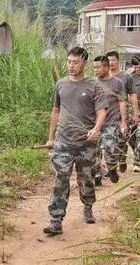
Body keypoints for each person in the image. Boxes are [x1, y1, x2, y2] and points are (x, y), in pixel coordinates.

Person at [42, 47, 107, 235]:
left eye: (75, 62)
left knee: (85, 178)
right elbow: (55, 111)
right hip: (63, 141)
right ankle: (56, 220)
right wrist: (51, 137)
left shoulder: (94, 86)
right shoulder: (61, 84)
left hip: (86, 142)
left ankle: (88, 205)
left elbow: (102, 111)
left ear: (84, 63)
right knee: (61, 178)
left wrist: (96, 129)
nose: (71, 66)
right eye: (69, 61)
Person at [92, 55, 127, 186]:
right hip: (95, 124)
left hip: (111, 123)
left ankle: (112, 168)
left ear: (106, 67)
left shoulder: (117, 83)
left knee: (110, 150)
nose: (96, 70)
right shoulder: (92, 83)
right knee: (94, 152)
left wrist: (123, 122)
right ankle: (96, 176)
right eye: (94, 68)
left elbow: (122, 102)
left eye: (98, 67)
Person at [105, 51, 139, 172]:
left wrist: (136, 113)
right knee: (108, 141)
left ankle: (122, 157)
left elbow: (133, 95)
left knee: (122, 138)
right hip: (107, 113)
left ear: (118, 61)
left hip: (123, 113)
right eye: (108, 60)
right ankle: (111, 165)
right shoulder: (103, 76)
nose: (111, 63)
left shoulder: (126, 77)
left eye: (113, 60)